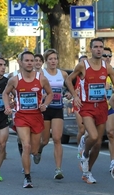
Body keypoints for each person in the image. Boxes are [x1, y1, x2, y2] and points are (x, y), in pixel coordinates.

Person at [65, 38, 114, 184]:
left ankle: (87, 171)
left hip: (102, 106)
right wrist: (75, 96)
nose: (99, 49)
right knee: (93, 136)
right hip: (86, 106)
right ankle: (85, 154)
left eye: (101, 47)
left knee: (98, 142)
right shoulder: (83, 65)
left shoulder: (107, 67)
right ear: (91, 49)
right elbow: (69, 80)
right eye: (96, 47)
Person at [2, 51, 53, 188]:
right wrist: (7, 106)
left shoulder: (41, 78)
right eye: (27, 60)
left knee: (34, 149)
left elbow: (50, 93)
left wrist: (45, 104)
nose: (30, 63)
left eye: (32, 60)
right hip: (21, 116)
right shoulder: (15, 80)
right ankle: (27, 177)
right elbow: (5, 93)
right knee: (26, 145)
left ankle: (36, 153)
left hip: (36, 116)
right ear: (21, 62)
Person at [36, 49, 69, 179]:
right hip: (44, 109)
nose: (53, 61)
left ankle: (58, 169)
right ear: (46, 61)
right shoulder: (40, 74)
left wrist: (69, 93)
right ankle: (39, 149)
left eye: (55, 59)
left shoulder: (63, 74)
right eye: (50, 59)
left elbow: (69, 87)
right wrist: (41, 95)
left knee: (56, 138)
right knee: (44, 140)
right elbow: (34, 88)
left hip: (57, 108)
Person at [102, 47, 114, 172]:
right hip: (95, 108)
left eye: (109, 56)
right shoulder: (95, 70)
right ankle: (84, 152)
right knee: (94, 137)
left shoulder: (112, 72)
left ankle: (113, 161)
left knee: (111, 133)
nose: (107, 58)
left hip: (108, 106)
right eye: (105, 55)